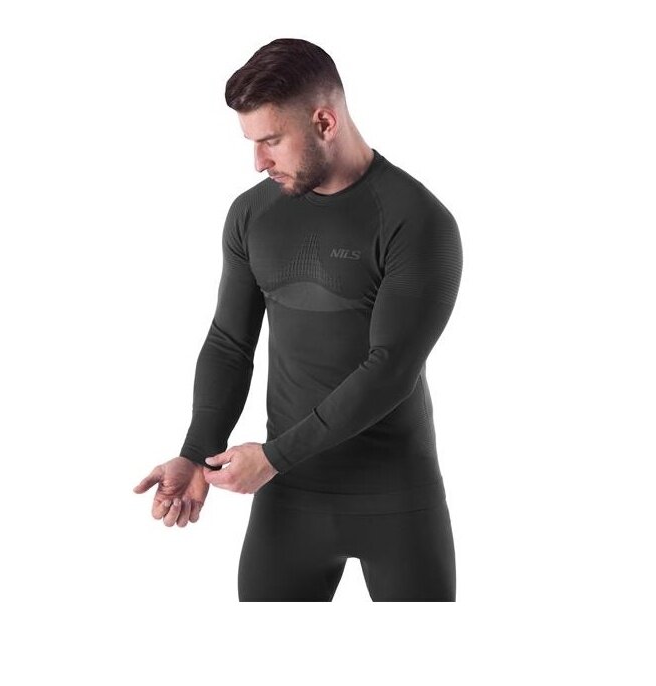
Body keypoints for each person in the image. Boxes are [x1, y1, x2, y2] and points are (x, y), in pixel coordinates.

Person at [133, 38, 463, 601]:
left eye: (270, 141)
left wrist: (273, 457)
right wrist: (195, 452)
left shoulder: (416, 220)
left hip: (397, 499)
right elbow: (229, 343)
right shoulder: (253, 214)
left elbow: (390, 369)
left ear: (324, 122)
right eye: (252, 143)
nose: (258, 162)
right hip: (288, 499)